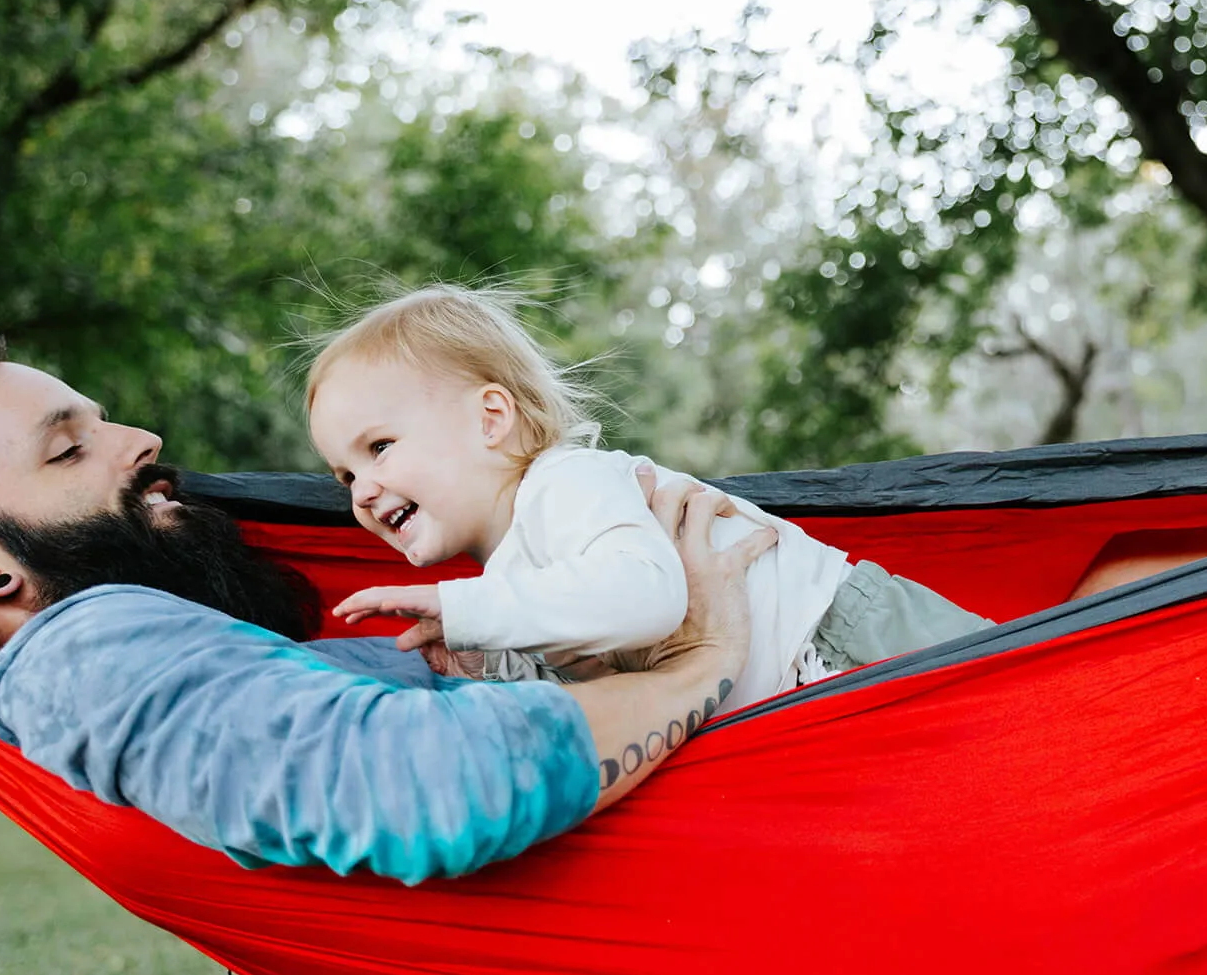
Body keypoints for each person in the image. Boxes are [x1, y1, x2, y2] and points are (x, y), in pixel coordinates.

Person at [0, 336, 766, 882]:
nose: (144, 439)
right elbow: (431, 783)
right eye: (68, 449)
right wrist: (702, 664)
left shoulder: (154, 646)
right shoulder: (78, 655)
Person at [304, 285, 989, 710]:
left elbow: (642, 598)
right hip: (795, 704)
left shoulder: (564, 484)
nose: (362, 491)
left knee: (1025, 722)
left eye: (380, 448)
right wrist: (491, 663)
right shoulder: (515, 571)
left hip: (844, 639)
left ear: (490, 418)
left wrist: (468, 607)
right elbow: (599, 673)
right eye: (343, 476)